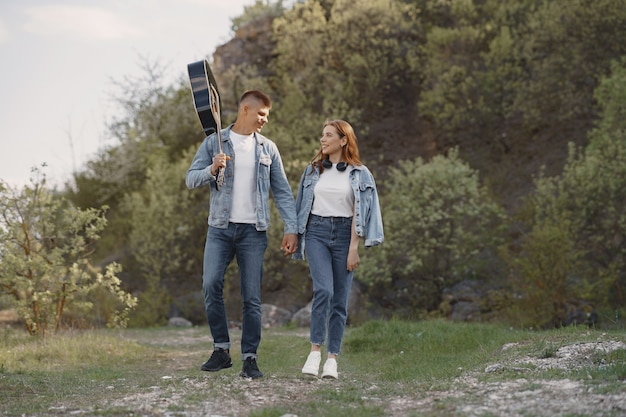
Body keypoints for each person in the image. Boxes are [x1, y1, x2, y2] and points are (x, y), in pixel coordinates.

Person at [186, 90, 298, 379]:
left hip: (253, 231)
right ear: (245, 109)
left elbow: (283, 191)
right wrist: (212, 169)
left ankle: (250, 358)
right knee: (211, 285)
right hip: (220, 229)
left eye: (267, 116)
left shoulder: (268, 149)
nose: (264, 120)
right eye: (261, 114)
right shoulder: (215, 142)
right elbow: (190, 178)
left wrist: (291, 227)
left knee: (252, 297)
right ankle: (221, 350)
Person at [293, 119, 384, 379]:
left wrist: (354, 247)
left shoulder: (360, 173)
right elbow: (301, 205)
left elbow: (361, 212)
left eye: (328, 135)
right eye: (322, 135)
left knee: (340, 301)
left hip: (346, 235)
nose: (323, 140)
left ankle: (332, 359)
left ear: (343, 140)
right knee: (323, 290)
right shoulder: (312, 171)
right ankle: (314, 352)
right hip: (317, 233)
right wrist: (293, 234)